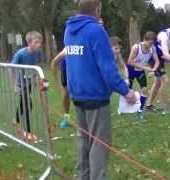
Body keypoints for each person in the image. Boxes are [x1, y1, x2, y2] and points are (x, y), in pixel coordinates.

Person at [64, 0, 137, 179]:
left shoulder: (69, 29)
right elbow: (108, 67)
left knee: (84, 139)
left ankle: (84, 176)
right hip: (95, 96)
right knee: (99, 142)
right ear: (97, 9)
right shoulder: (96, 30)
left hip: (77, 94)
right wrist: (126, 91)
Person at [11, 31, 43, 141]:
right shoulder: (20, 54)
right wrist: (15, 85)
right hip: (21, 84)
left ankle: (16, 120)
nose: (39, 45)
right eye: (36, 42)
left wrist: (35, 78)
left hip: (28, 83)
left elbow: (35, 65)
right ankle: (28, 132)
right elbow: (11, 68)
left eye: (40, 42)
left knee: (23, 104)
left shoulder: (37, 53)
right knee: (27, 105)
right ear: (29, 42)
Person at [127, 31, 160, 120]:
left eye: (152, 43)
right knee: (127, 92)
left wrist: (153, 70)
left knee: (145, 90)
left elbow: (157, 61)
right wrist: (145, 68)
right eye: (149, 43)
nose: (151, 45)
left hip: (140, 71)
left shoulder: (152, 48)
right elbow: (129, 61)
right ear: (144, 40)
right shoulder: (136, 47)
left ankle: (140, 111)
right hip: (131, 70)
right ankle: (125, 107)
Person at [51, 49, 70, 128]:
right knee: (66, 94)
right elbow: (54, 62)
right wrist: (56, 81)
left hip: (79, 69)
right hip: (66, 70)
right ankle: (66, 118)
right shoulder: (68, 49)